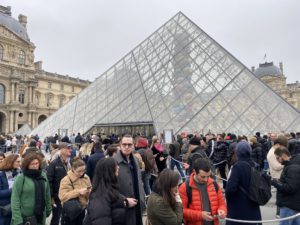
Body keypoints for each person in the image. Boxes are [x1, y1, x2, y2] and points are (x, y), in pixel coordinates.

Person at [83, 157, 137, 225]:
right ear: (109, 171)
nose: (118, 167)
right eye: (115, 167)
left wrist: (125, 201)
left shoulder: (108, 189)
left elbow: (113, 202)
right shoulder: (100, 196)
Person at [179, 158, 226, 225]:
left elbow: (222, 204)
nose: (206, 180)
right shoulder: (185, 187)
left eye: (208, 176)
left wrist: (222, 210)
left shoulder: (214, 184)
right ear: (194, 172)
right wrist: (200, 215)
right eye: (203, 177)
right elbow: (181, 211)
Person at [225, 141, 262, 225]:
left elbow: (230, 188)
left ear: (237, 152)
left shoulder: (237, 167)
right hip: (254, 206)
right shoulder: (255, 165)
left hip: (239, 208)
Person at [11, 153, 51, 225]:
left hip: (40, 215)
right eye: (32, 164)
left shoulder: (43, 175)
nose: (35, 166)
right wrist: (17, 218)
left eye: (37, 163)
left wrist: (48, 208)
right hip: (24, 218)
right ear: (27, 165)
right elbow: (15, 199)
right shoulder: (21, 178)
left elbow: (47, 193)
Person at [114, 134, 145, 225]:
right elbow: (108, 188)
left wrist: (142, 198)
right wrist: (124, 200)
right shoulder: (113, 162)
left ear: (133, 145)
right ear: (120, 145)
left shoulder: (135, 159)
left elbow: (139, 180)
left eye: (129, 145)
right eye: (124, 144)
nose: (127, 147)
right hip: (123, 208)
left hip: (138, 206)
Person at [270, 146, 300, 225]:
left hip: (289, 205)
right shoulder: (292, 164)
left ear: (283, 156)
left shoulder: (292, 167)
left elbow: (290, 188)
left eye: (277, 158)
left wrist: (275, 182)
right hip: (293, 204)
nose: (277, 160)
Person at [59, 157, 91, 225]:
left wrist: (90, 191)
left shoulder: (86, 177)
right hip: (69, 211)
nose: (81, 173)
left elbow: (89, 192)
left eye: (83, 171)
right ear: (73, 169)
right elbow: (62, 196)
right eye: (79, 171)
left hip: (82, 210)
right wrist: (78, 192)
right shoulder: (66, 180)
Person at [47, 142, 72, 225]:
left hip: (68, 195)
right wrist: (51, 197)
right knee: (56, 218)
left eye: (70, 148)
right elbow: (49, 181)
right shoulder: (54, 163)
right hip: (57, 197)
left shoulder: (69, 162)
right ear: (62, 150)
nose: (70, 150)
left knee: (66, 217)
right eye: (68, 148)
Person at [0, 154, 21, 225]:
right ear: (11, 162)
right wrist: (12, 190)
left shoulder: (19, 173)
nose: (19, 164)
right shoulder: (1, 174)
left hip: (17, 207)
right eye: (17, 162)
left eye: (20, 161)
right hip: (5, 208)